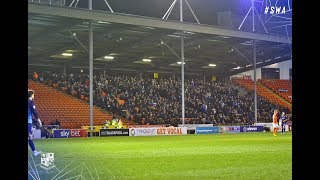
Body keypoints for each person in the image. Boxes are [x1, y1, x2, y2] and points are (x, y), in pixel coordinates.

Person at [28, 89, 42, 156]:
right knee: (29, 136)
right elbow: (35, 112)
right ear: (32, 95)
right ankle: (34, 151)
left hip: (29, 121)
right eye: (33, 94)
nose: (34, 96)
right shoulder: (30, 102)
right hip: (28, 122)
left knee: (29, 136)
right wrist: (38, 119)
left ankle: (34, 151)